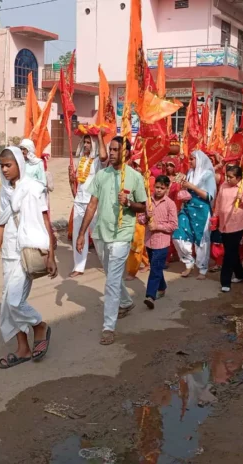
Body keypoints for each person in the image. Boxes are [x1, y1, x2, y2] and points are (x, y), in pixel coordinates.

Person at [75, 136, 148, 346]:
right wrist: (82, 234)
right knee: (111, 275)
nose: (112, 153)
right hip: (101, 233)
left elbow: (143, 206)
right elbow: (91, 205)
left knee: (112, 281)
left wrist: (129, 202)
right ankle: (125, 302)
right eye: (111, 149)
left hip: (122, 234)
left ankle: (108, 327)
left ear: (125, 152)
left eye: (116, 150)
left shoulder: (134, 177)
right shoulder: (101, 175)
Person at [0, 147, 57, 369]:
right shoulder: (4, 191)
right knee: (9, 305)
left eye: (8, 164)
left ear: (19, 163)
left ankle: (39, 325)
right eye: (2, 165)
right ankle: (23, 348)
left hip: (25, 251)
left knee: (14, 301)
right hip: (8, 252)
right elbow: (0, 224)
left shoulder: (33, 188)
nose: (5, 169)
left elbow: (46, 221)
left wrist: (51, 255)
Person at [172, 150, 217, 280]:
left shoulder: (208, 175)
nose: (190, 161)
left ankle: (202, 268)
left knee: (201, 239)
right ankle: (188, 262)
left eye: (192, 159)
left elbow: (209, 196)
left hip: (201, 210)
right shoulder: (190, 173)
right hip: (187, 207)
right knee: (178, 235)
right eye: (189, 159)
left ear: (199, 160)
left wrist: (192, 187)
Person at [68, 134, 107, 278]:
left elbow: (104, 156)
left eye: (88, 143)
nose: (85, 145)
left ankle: (107, 263)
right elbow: (76, 185)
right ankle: (78, 266)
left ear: (94, 144)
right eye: (84, 142)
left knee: (97, 236)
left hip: (93, 204)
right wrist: (71, 181)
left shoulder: (98, 161)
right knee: (78, 234)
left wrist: (100, 136)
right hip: (79, 202)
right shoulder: (81, 160)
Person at [214, 165, 243, 292]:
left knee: (229, 254)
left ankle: (225, 282)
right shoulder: (223, 186)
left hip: (237, 225)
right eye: (227, 176)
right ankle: (240, 274)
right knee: (232, 251)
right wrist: (215, 217)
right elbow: (218, 202)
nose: (228, 179)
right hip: (223, 224)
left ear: (238, 178)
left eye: (231, 177)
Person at [141, 175, 178, 309]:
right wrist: (146, 216)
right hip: (149, 241)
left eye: (162, 188)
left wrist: (158, 227)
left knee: (155, 267)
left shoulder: (170, 204)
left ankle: (150, 295)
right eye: (157, 187)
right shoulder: (147, 201)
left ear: (167, 189)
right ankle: (162, 287)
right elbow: (140, 219)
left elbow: (173, 225)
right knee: (155, 266)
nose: (158, 190)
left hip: (162, 242)